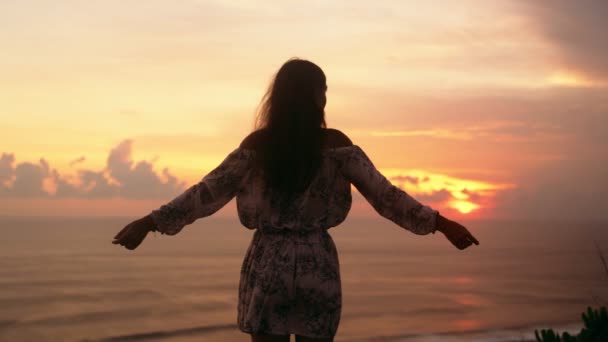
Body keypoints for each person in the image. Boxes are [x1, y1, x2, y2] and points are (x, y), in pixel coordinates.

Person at [112, 57, 480, 342]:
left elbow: (204, 194)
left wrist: (149, 223)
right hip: (316, 267)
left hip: (267, 264)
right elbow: (387, 197)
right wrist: (441, 224)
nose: (325, 98)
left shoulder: (256, 148)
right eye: (323, 89)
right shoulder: (337, 146)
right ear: (313, 96)